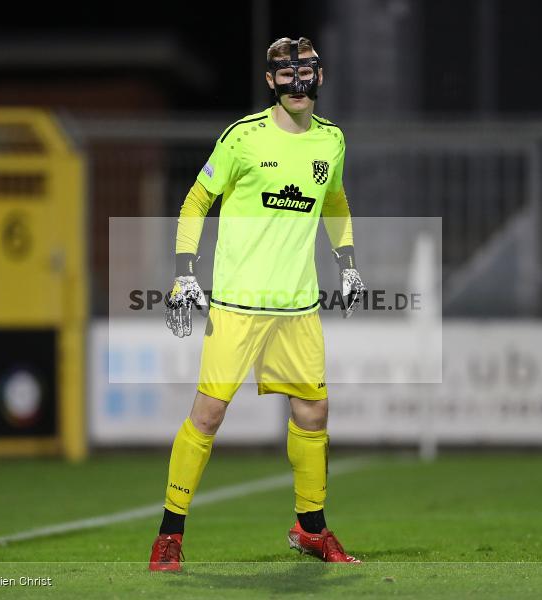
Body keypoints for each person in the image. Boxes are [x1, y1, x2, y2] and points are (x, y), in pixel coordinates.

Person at [148, 37, 366, 571]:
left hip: (297, 307)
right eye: (285, 75)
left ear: (319, 76)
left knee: (313, 412)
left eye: (306, 74)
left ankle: (310, 529)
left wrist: (348, 261)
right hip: (237, 305)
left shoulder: (332, 142)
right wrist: (183, 273)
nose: (297, 84)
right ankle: (169, 534)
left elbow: (334, 200)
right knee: (209, 412)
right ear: (271, 81)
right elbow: (197, 199)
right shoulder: (242, 138)